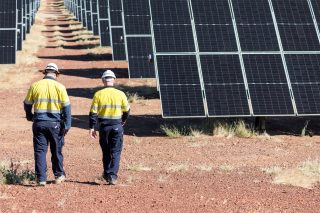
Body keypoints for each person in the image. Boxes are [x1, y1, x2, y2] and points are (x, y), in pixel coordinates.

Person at [24, 63, 71, 186]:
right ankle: (59, 175)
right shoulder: (60, 87)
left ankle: (41, 179)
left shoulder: (35, 85)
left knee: (40, 151)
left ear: (45, 73)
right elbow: (66, 108)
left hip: (39, 123)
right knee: (56, 150)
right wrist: (67, 125)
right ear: (56, 73)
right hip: (55, 124)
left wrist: (29, 116)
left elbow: (27, 104)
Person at [89, 70, 130, 185]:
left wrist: (92, 127)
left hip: (104, 127)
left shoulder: (98, 94)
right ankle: (112, 176)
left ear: (103, 80)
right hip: (117, 126)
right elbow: (127, 110)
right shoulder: (121, 94)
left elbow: (93, 113)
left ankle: (107, 173)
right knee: (116, 151)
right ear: (114, 80)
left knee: (106, 151)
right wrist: (123, 120)